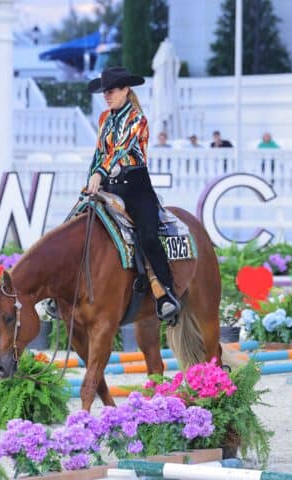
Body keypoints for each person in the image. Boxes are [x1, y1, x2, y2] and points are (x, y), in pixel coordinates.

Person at [86, 66, 180, 324]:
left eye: (112, 91)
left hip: (136, 185)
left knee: (148, 235)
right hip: (110, 185)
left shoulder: (137, 119)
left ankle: (167, 292)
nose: (107, 95)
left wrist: (100, 173)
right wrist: (91, 180)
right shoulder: (104, 118)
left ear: (126, 90)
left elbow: (119, 149)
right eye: (105, 92)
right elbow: (99, 152)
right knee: (78, 221)